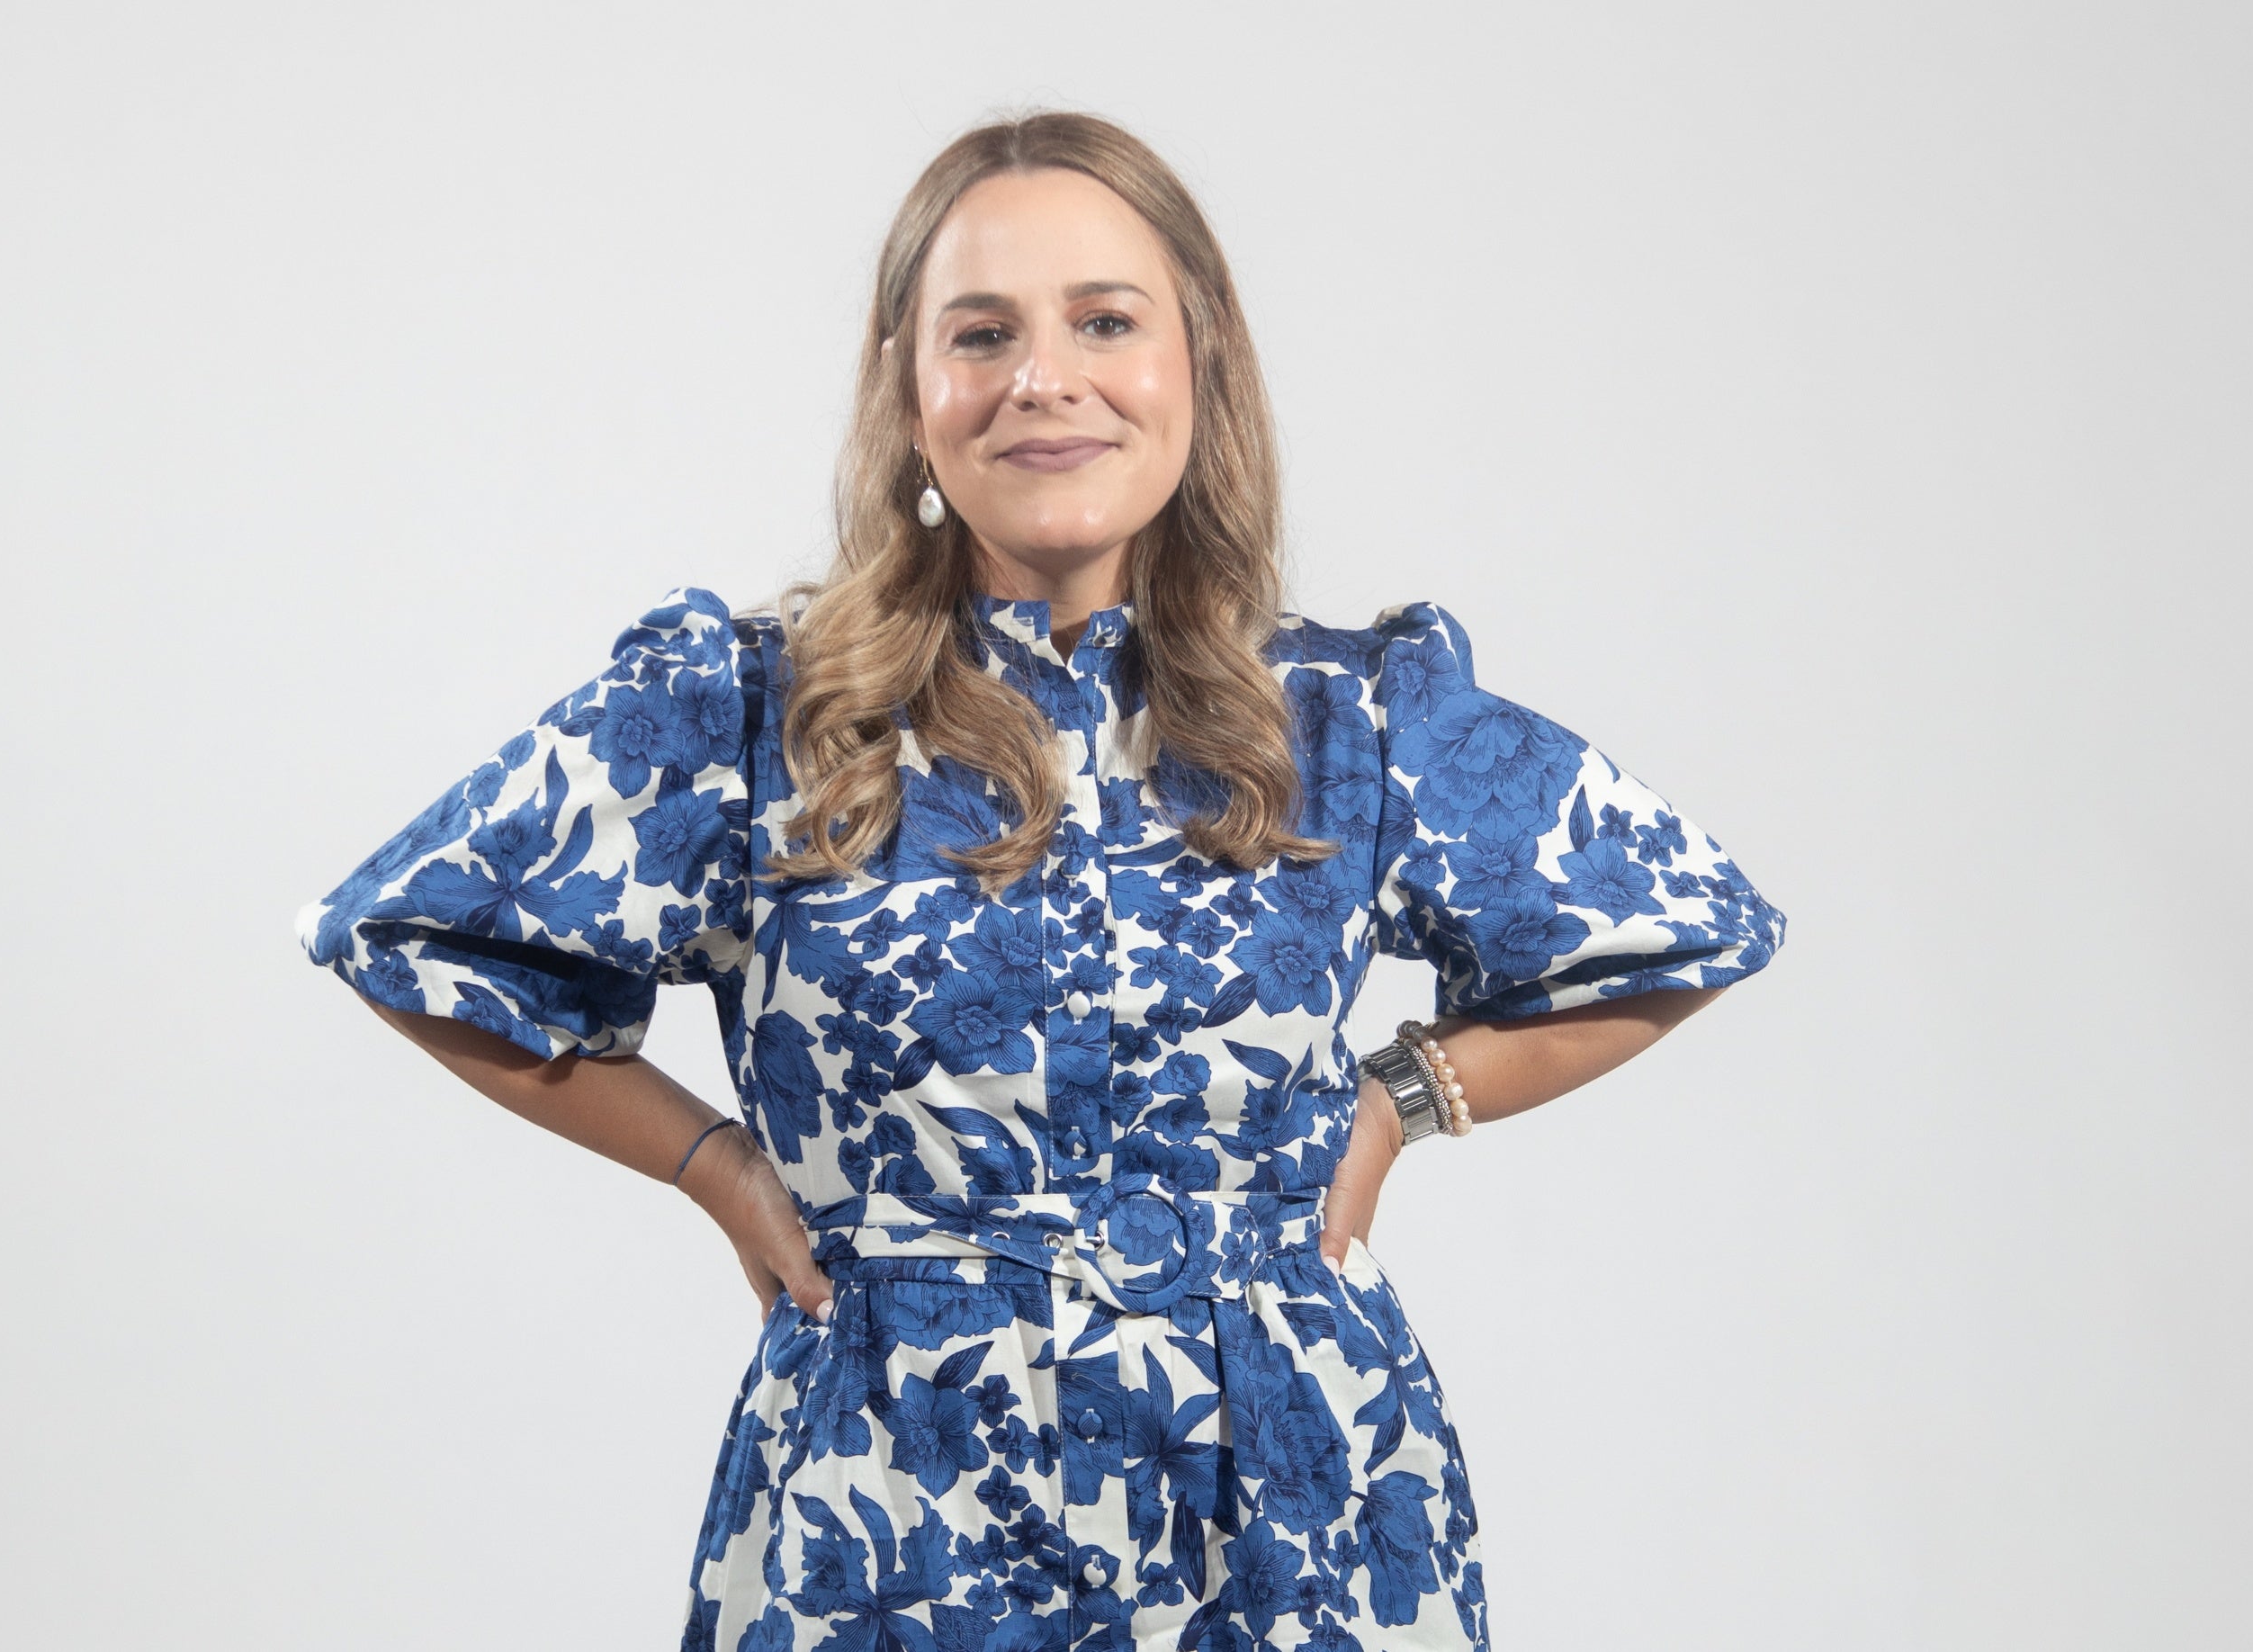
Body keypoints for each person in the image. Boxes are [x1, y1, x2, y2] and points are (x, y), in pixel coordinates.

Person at [292, 110, 1785, 1651]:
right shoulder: (753, 718)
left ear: (1196, 360)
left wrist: (1401, 1099)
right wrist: (716, 1166)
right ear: (908, 389)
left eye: (1104, 321)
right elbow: (408, 932)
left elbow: (1679, 924)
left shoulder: (1350, 722)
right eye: (982, 332)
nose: (1041, 378)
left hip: (1286, 1510)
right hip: (889, 1511)